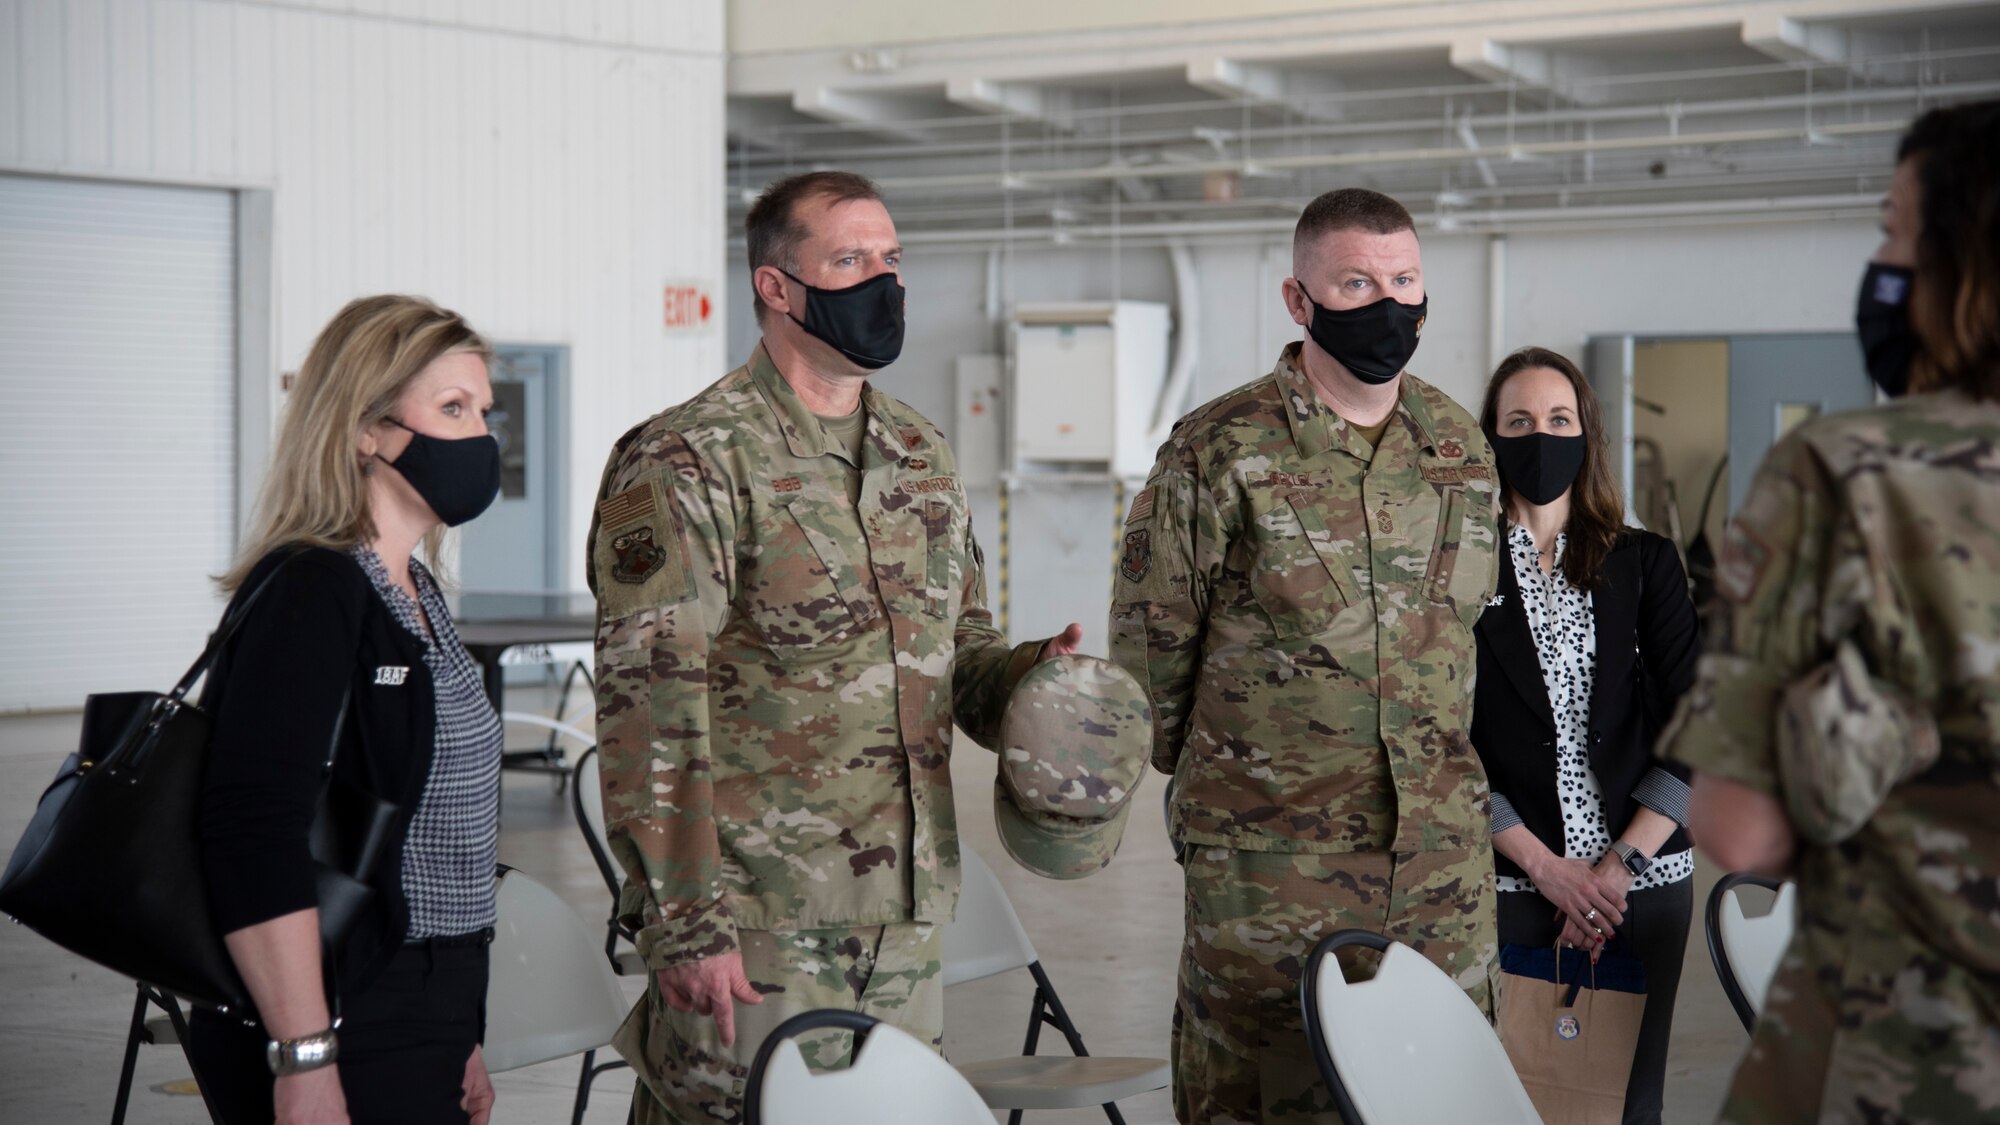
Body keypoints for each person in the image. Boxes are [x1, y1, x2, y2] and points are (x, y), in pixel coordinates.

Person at [587, 170, 1081, 1124]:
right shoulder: (691, 455)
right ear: (778, 287)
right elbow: (649, 707)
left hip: (904, 911)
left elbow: (957, 650)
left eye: (892, 260)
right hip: (755, 920)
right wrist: (686, 926)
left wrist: (1028, 678)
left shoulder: (919, 451)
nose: (883, 284)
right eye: (850, 260)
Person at [1110, 186, 1501, 1122]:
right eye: (1357, 282)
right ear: (1299, 300)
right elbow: (1150, 656)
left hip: (1439, 859)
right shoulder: (1217, 451)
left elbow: (1466, 627)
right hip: (1270, 864)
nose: (1389, 302)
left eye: (1405, 280)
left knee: (1442, 1093)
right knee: (1266, 1097)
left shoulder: (1458, 444)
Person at [1660, 99, 2000, 1123]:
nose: (1878, 263)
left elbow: (1739, 826)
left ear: (1963, 258)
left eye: (1893, 232)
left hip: (1908, 1055)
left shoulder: (1847, 471)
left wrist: (1880, 736)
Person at [188, 295, 505, 1124]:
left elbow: (442, 839)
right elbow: (251, 829)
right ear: (368, 428)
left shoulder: (417, 590)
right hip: (343, 1007)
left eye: (482, 411)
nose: (479, 436)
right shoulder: (314, 587)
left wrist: (461, 1027)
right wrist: (303, 1054)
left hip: (426, 999)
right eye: (451, 408)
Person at [1470, 346, 1700, 1125]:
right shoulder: (1459, 577)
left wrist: (1613, 872)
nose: (1542, 436)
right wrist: (1549, 869)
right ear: (1491, 437)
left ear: (1587, 433)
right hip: (1512, 882)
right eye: (1520, 421)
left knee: (1629, 1102)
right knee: (1513, 1097)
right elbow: (1441, 743)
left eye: (1559, 419)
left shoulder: (1647, 564)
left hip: (1644, 884)